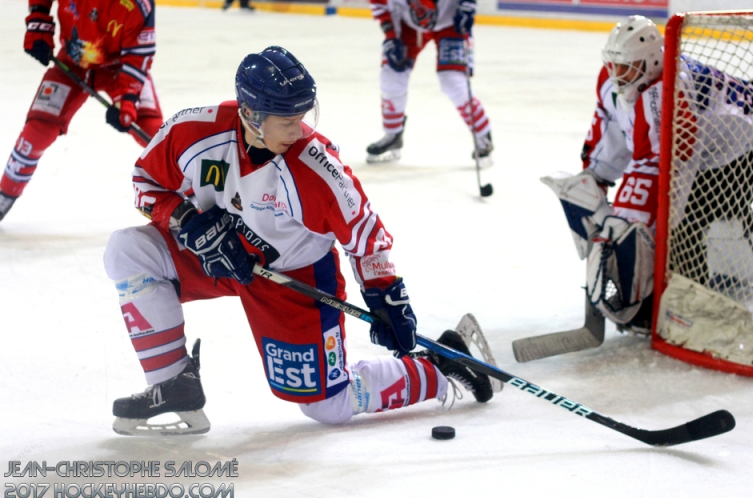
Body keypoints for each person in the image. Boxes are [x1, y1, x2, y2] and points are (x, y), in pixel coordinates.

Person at [103, 46, 492, 436]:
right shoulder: (194, 132)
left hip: (294, 278)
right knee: (128, 250)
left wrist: (385, 294)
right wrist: (188, 221)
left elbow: (366, 234)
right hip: (215, 258)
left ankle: (439, 367)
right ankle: (174, 386)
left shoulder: (313, 165)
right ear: (251, 114)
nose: (298, 129)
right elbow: (145, 183)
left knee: (329, 405)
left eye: (303, 117)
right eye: (287, 120)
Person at [547, 15, 753, 334]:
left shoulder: (669, 96)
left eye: (625, 67)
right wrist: (594, 180)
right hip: (732, 129)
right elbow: (612, 131)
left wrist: (628, 228)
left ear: (652, 61)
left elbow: (668, 177)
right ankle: (744, 240)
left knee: (687, 211)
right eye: (613, 64)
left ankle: (685, 307)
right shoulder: (623, 80)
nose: (616, 74)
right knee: (691, 200)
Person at [0, 0, 163, 222]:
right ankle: (3, 196)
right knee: (37, 131)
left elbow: (139, 55)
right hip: (72, 62)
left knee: (155, 134)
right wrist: (39, 18)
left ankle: (194, 194)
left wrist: (127, 101)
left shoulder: (137, 4)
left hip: (120, 69)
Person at [365, 0, 493, 164]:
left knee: (453, 80)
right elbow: (380, 5)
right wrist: (390, 35)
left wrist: (468, 4)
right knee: (391, 75)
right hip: (409, 25)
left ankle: (483, 135)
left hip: (451, 21)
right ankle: (393, 134)